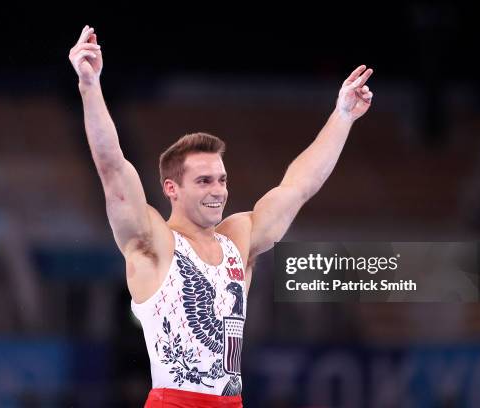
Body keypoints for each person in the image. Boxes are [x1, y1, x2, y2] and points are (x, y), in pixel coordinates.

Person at [69, 24, 373, 408]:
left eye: (222, 179)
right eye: (204, 181)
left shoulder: (237, 240)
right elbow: (113, 169)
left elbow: (298, 186)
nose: (219, 191)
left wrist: (342, 116)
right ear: (171, 189)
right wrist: (89, 86)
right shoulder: (154, 243)